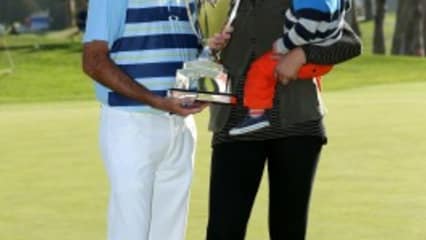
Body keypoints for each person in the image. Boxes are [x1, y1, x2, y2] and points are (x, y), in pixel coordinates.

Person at [205, 0, 362, 239]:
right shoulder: (220, 3)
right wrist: (209, 45)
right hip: (233, 125)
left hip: (297, 123)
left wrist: (302, 54)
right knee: (222, 231)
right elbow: (198, 46)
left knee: (288, 231)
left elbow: (349, 43)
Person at [82, 0, 229, 239]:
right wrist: (155, 100)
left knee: (170, 231)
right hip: (131, 124)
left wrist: (204, 79)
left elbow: (194, 52)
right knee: (130, 228)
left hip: (180, 126)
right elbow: (93, 61)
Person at [229, 0, 351, 135]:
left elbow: (350, 44)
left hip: (298, 124)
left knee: (260, 69)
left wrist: (298, 54)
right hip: (228, 125)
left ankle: (256, 115)